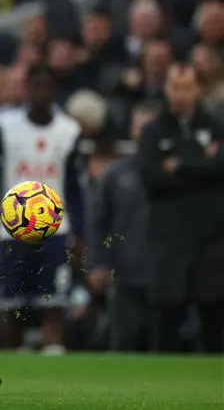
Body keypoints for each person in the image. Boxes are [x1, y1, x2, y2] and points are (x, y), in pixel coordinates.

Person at [0, 63, 85, 355]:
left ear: (54, 90)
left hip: (55, 229)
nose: (41, 92)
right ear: (26, 89)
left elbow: (76, 187)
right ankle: (14, 359)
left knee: (54, 302)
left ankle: (53, 352)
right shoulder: (4, 128)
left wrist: (80, 231)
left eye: (46, 85)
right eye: (35, 85)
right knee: (12, 305)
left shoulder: (69, 130)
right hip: (12, 229)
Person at [137, 63, 224, 353]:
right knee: (166, 321)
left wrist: (178, 165)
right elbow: (151, 177)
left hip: (211, 240)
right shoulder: (152, 131)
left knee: (213, 320)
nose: (180, 95)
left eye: (186, 88)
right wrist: (202, 166)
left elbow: (220, 169)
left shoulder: (215, 127)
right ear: (166, 90)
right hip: (168, 241)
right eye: (175, 88)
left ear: (198, 90)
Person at [87, 101, 159, 351]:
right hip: (124, 272)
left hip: (165, 274)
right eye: (141, 126)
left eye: (151, 126)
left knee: (163, 346)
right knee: (124, 342)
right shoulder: (116, 174)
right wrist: (98, 263)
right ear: (132, 130)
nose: (145, 132)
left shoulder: (173, 173)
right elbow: (99, 222)